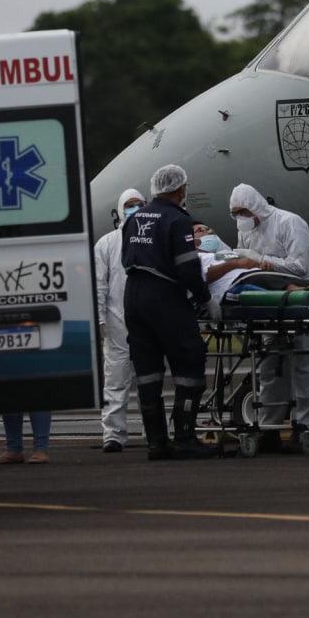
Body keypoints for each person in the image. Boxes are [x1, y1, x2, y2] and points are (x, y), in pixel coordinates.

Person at [121, 165, 217, 461]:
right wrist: (203, 297)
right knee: (190, 362)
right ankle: (185, 438)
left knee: (148, 373)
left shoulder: (135, 219)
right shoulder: (177, 219)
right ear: (179, 189)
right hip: (164, 296)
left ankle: (156, 443)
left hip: (133, 297)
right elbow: (187, 267)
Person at [228, 184, 309, 449]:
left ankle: (304, 426)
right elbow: (243, 265)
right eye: (235, 213)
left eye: (242, 212)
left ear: (255, 206)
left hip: (301, 297)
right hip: (268, 301)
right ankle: (269, 426)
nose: (240, 218)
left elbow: (300, 267)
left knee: (304, 366)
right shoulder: (245, 232)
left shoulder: (289, 223)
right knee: (270, 368)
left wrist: (261, 261)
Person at [94, 188, 145, 453]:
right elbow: (99, 286)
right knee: (115, 381)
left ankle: (154, 430)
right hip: (117, 322)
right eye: (130, 205)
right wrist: (100, 320)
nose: (134, 209)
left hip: (147, 321)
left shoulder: (151, 238)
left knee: (150, 379)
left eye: (139, 204)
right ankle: (113, 434)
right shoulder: (107, 244)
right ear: (120, 208)